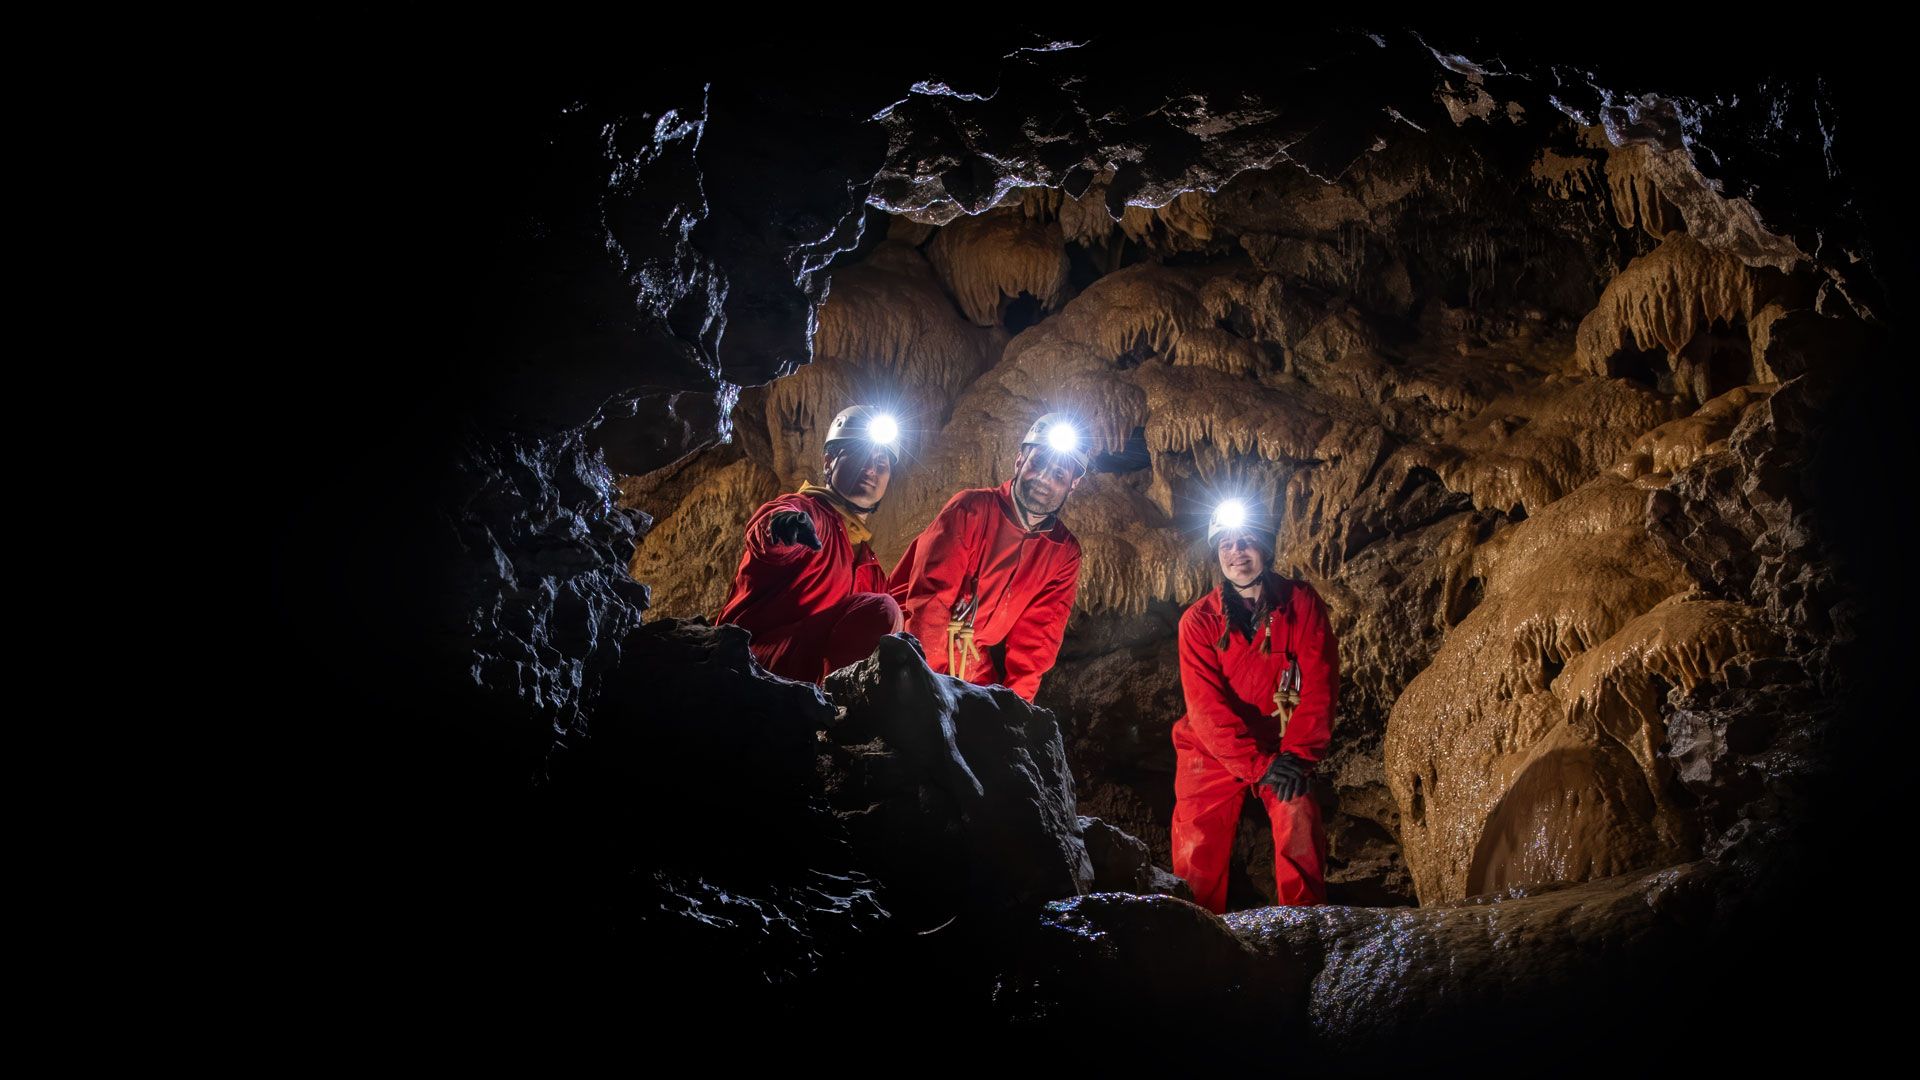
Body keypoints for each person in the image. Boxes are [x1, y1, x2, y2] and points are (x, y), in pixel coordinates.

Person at [1170, 498, 1338, 912]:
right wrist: (1255, 765)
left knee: (1297, 810)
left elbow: (1319, 685)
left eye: (1246, 542)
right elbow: (1205, 708)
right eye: (1226, 545)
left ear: (1264, 546)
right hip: (1212, 749)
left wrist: (1299, 755)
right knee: (1197, 843)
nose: (1236, 553)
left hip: (1281, 744)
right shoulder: (1199, 621)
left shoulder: (1300, 603)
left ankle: (1303, 924)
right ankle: (1197, 931)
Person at [888, 412, 1086, 702]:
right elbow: (931, 602)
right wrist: (921, 685)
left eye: (1059, 475)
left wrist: (1017, 709)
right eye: (1038, 463)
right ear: (1019, 460)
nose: (1045, 478)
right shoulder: (971, 509)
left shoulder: (1062, 553)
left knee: (997, 728)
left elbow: (1038, 639)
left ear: (1073, 484)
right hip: (908, 637)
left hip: (970, 658)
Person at [716, 405, 904, 684]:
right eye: (860, 455)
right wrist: (781, 527)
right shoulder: (807, 512)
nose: (870, 469)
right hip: (751, 661)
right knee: (882, 611)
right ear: (828, 461)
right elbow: (765, 530)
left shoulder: (871, 569)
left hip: (807, 674)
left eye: (881, 464)